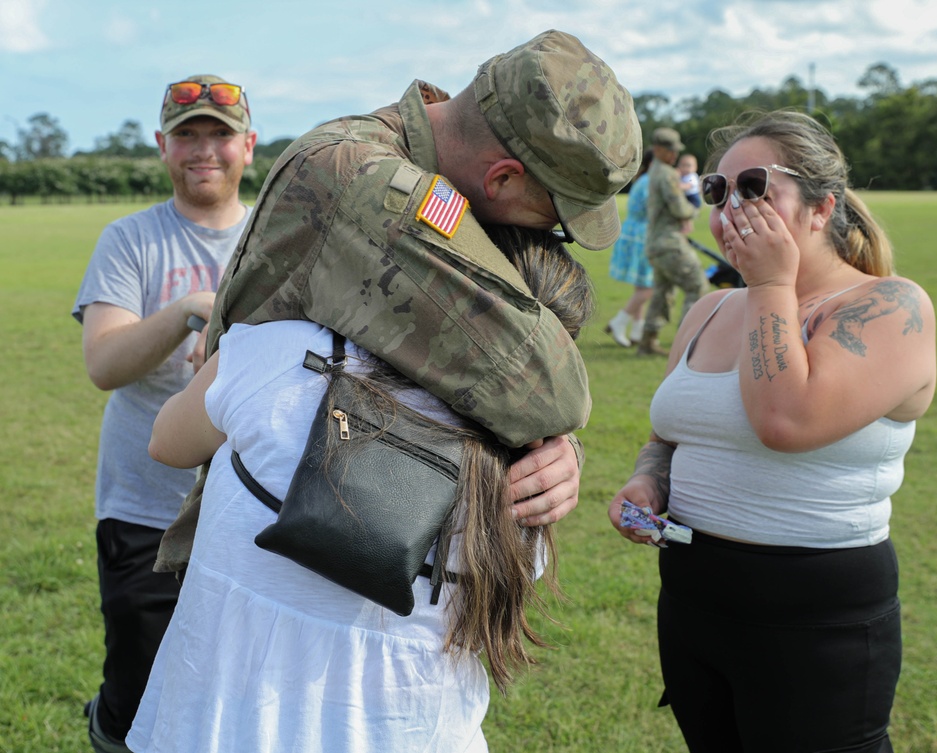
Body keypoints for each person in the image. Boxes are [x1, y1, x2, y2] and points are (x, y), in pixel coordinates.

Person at [154, 29, 642, 576]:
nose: (546, 239)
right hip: (270, 563)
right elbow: (547, 389)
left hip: (326, 535)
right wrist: (560, 437)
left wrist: (557, 449)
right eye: (554, 221)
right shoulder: (367, 180)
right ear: (503, 177)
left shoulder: (391, 153)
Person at [127, 227, 594, 753]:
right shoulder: (539, 471)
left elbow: (166, 441)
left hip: (222, 724)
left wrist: (223, 359)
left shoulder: (283, 348)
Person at [608, 110, 937, 752]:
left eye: (756, 186)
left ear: (822, 209)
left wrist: (770, 285)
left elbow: (785, 420)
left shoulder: (889, 306)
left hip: (814, 620)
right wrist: (649, 481)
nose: (732, 208)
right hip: (693, 604)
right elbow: (669, 435)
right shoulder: (709, 308)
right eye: (716, 191)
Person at [71, 75, 257, 753]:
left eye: (219, 134)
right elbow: (104, 363)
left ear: (249, 145)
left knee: (236, 691)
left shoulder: (280, 238)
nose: (204, 149)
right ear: (162, 146)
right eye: (187, 135)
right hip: (144, 508)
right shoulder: (131, 240)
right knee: (137, 688)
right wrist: (192, 309)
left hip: (252, 511)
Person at [638, 127, 708, 357]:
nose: (675, 155)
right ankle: (687, 344)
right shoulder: (667, 173)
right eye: (671, 150)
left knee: (662, 291)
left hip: (655, 242)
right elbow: (679, 208)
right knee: (697, 285)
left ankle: (648, 342)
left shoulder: (653, 171)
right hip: (669, 241)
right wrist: (693, 210)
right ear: (658, 150)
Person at [605, 148, 657, 347]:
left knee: (642, 286)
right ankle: (620, 321)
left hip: (635, 234)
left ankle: (637, 331)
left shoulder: (643, 180)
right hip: (643, 236)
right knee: (649, 287)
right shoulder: (650, 182)